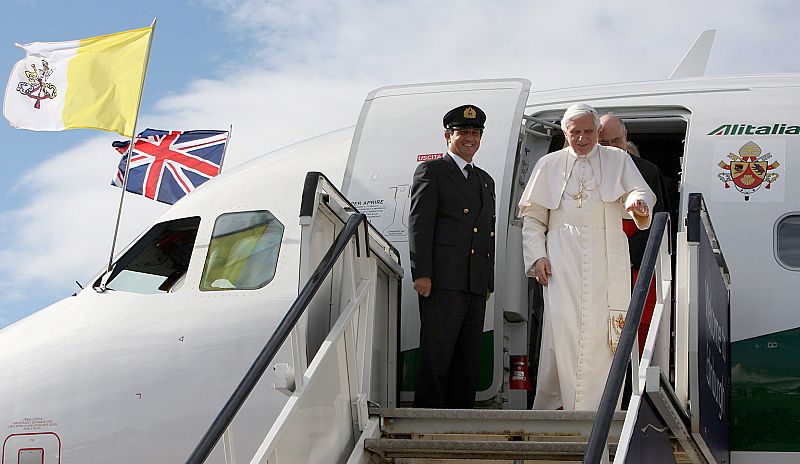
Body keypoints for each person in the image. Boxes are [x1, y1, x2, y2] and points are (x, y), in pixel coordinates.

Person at [518, 103, 655, 411]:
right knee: (563, 333)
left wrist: (637, 204)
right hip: (561, 260)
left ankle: (598, 411)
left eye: (588, 132)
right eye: (575, 132)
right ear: (565, 133)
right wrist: (536, 256)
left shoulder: (617, 159)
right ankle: (562, 407)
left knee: (601, 336)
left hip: (606, 257)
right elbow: (534, 217)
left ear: (597, 132)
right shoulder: (548, 164)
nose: (582, 138)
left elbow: (638, 191)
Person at [409, 104, 496, 409]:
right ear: (448, 135)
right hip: (442, 280)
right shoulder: (432, 171)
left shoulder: (485, 180)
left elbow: (488, 233)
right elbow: (420, 224)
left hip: (474, 282)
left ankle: (461, 420)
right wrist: (422, 273)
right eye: (463, 132)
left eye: (476, 133)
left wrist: (488, 282)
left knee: (467, 358)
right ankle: (427, 420)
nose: (470, 138)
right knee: (437, 355)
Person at [599, 114, 670, 353]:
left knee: (639, 329)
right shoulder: (586, 170)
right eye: (604, 143)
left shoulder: (647, 171)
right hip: (599, 265)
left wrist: (627, 256)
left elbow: (659, 220)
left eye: (616, 141)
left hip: (636, 264)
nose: (611, 148)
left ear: (626, 137)